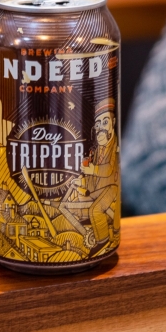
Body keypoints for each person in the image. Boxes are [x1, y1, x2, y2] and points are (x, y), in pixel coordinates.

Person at [59, 98, 120, 255]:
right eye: (98, 124)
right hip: (98, 190)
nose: (101, 128)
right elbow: (93, 179)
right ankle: (95, 226)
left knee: (95, 210)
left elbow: (109, 170)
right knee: (80, 203)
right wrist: (82, 181)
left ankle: (103, 240)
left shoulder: (114, 146)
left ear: (113, 123)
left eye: (105, 122)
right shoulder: (97, 150)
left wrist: (92, 170)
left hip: (111, 188)